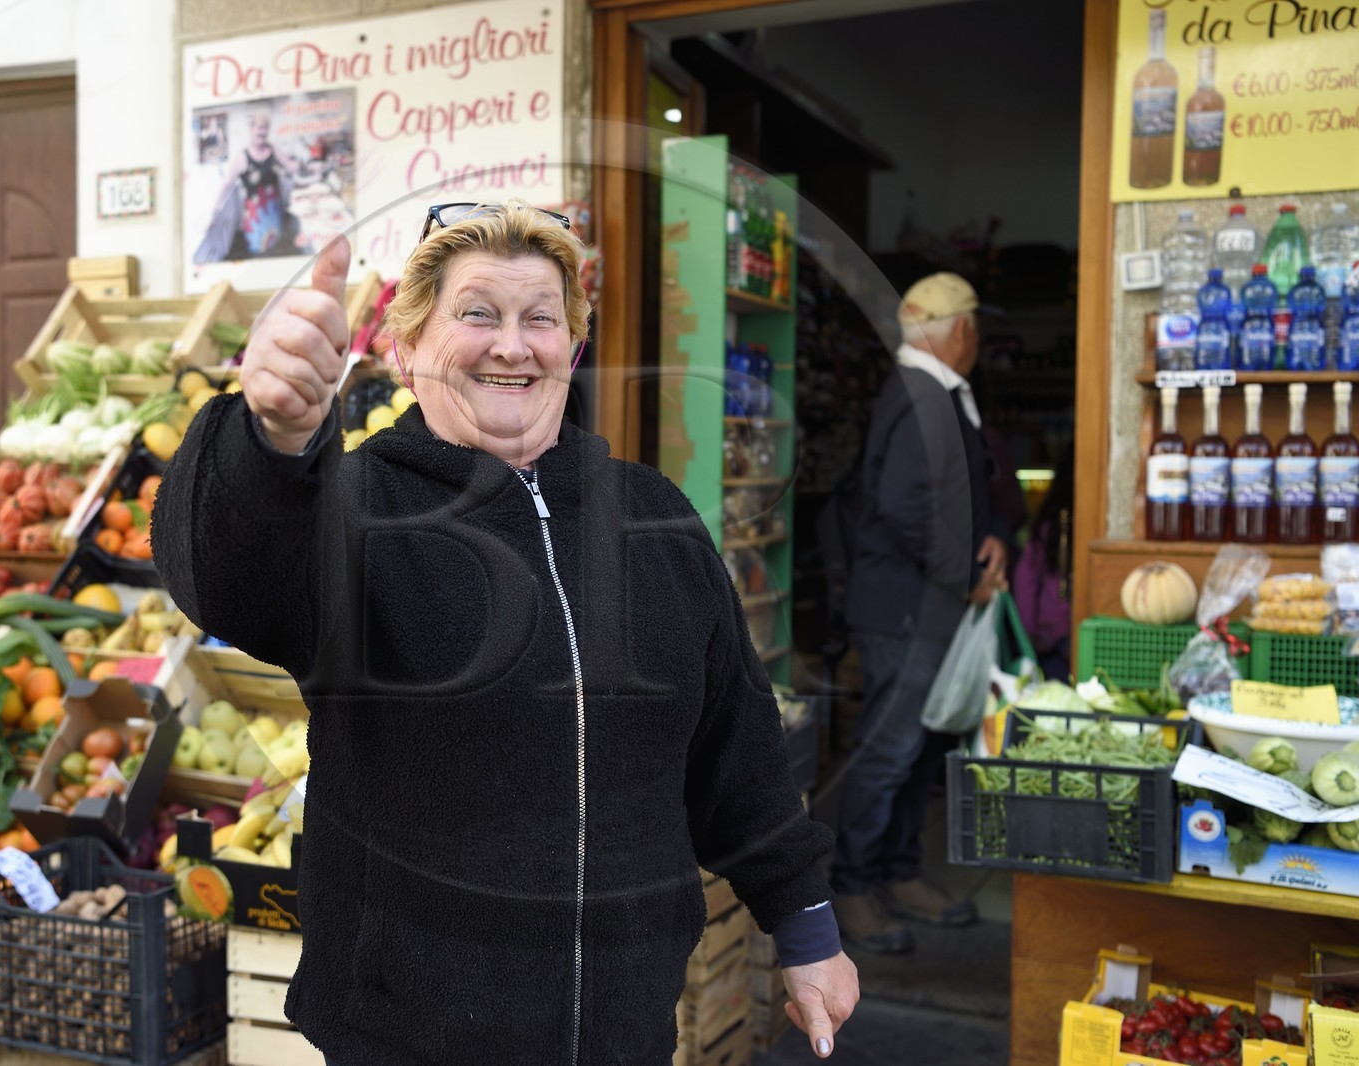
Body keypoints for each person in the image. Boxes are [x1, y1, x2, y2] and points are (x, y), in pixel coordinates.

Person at [153, 201, 858, 1064]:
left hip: (626, 1036)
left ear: (574, 348)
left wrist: (805, 920)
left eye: (541, 319)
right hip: (406, 1041)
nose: (513, 345)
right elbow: (224, 577)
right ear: (407, 348)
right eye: (477, 313)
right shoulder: (349, 508)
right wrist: (270, 437)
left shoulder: (653, 516)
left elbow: (734, 747)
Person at [833, 272, 1007, 955]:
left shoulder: (934, 392)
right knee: (888, 751)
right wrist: (965, 572)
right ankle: (851, 887)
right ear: (960, 330)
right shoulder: (921, 394)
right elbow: (907, 507)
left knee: (919, 747)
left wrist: (984, 540)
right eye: (976, 329)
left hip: (926, 607)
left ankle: (898, 873)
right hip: (907, 610)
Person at [194, 107, 303, 265]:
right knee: (261, 260)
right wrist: (212, 214)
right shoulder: (242, 157)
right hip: (255, 223)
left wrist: (307, 164)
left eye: (265, 128)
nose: (262, 132)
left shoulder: (273, 150)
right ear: (251, 129)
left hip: (275, 217)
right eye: (259, 127)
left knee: (276, 256)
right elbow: (224, 187)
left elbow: (290, 166)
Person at [1013, 444, 1075, 682]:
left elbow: (1025, 581)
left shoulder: (1048, 525)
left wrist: (1027, 637)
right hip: (1069, 635)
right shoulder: (1092, 520)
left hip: (1049, 638)